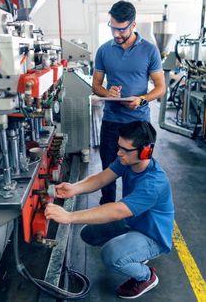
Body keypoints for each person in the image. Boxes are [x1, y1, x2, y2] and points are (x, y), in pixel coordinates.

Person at [44, 121, 174, 299]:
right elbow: (101, 178)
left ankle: (146, 276)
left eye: (125, 150)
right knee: (89, 234)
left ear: (146, 151)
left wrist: (69, 217)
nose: (119, 152)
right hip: (133, 222)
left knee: (111, 255)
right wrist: (74, 188)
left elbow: (117, 210)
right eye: (119, 147)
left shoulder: (153, 183)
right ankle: (134, 252)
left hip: (153, 236)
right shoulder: (127, 160)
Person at [92, 0, 166, 204]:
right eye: (113, 27)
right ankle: (107, 208)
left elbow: (161, 87)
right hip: (111, 121)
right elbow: (96, 86)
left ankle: (130, 211)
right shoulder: (104, 51)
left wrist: (142, 100)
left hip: (138, 124)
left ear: (133, 25)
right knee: (109, 168)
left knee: (137, 170)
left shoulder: (150, 51)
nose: (116, 34)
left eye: (121, 29)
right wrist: (109, 93)